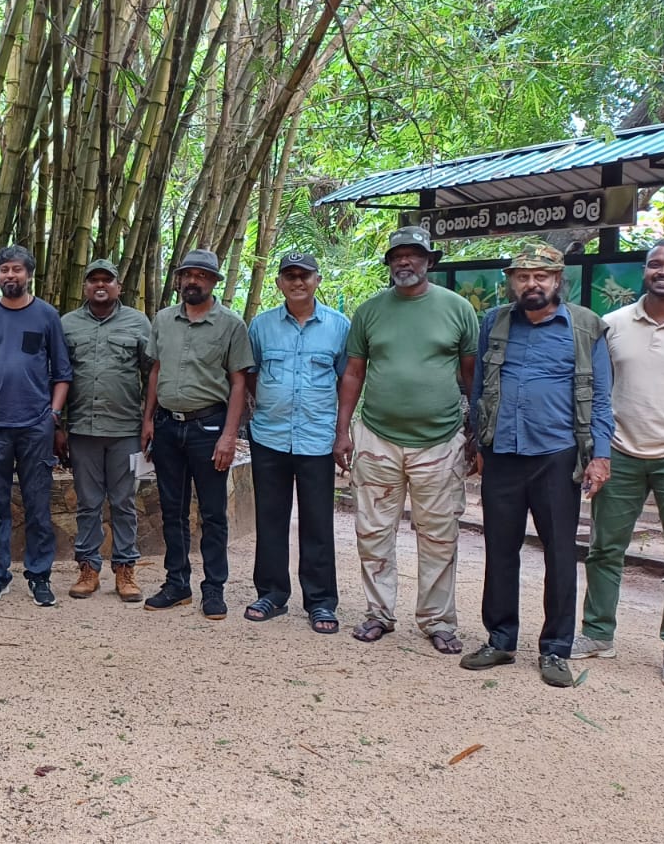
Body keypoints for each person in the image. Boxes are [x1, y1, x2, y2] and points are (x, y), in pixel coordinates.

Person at [460, 244, 612, 687]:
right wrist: (479, 441)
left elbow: (601, 397)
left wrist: (599, 456)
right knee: (500, 550)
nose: (532, 284)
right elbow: (482, 388)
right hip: (503, 454)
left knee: (561, 554)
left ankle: (555, 649)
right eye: (523, 276)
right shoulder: (496, 321)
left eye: (541, 276)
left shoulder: (584, 327)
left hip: (557, 456)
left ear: (558, 279)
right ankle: (501, 639)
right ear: (511, 281)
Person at [334, 226, 479, 654]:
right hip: (377, 437)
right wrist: (343, 431)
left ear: (429, 261)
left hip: (440, 441)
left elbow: (471, 375)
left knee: (439, 534)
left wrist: (475, 432)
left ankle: (437, 620)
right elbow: (354, 373)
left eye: (414, 255)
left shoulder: (457, 309)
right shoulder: (370, 311)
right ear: (389, 263)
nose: (405, 261)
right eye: (398, 255)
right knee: (373, 530)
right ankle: (379, 613)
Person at [572, 239, 664, 689]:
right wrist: (596, 449)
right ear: (643, 270)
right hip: (618, 451)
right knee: (604, 549)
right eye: (656, 263)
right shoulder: (614, 324)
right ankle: (598, 634)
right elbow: (597, 390)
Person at [140, 249, 254, 620]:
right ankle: (176, 584)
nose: (193, 281)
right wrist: (149, 419)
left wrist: (228, 435)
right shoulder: (162, 320)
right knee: (172, 510)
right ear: (179, 279)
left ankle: (214, 588)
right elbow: (156, 370)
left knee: (212, 513)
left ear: (213, 282)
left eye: (201, 276)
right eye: (188, 274)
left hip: (209, 427)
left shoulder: (231, 325)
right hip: (169, 427)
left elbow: (239, 384)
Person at [244, 252, 349, 634]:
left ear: (317, 280)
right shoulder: (261, 325)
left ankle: (320, 601)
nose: (297, 282)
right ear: (279, 283)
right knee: (270, 519)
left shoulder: (339, 327)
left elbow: (347, 381)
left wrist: (342, 432)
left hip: (317, 438)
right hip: (270, 435)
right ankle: (271, 594)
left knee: (317, 522)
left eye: (304, 275)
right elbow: (252, 375)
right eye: (289, 276)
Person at [0, 245, 72, 607]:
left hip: (35, 425)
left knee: (38, 504)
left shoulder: (46, 316)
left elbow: (62, 373)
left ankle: (39, 577)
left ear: (29, 275)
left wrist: (52, 415)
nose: (11, 276)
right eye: (5, 269)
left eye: (17, 270)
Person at [59, 258, 152, 602]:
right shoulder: (68, 324)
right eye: (93, 280)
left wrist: (149, 420)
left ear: (119, 287)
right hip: (82, 428)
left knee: (124, 501)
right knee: (87, 502)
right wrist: (58, 425)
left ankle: (126, 569)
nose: (100, 285)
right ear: (85, 286)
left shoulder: (138, 322)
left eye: (107, 280)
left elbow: (150, 373)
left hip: (126, 428)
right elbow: (59, 376)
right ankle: (89, 568)